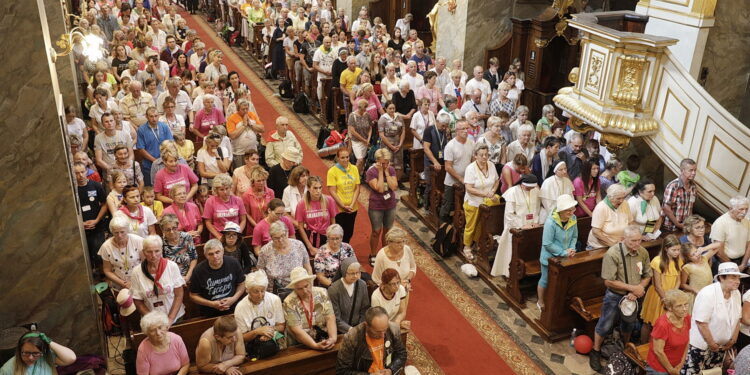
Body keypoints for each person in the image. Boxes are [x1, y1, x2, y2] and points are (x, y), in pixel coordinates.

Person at [589, 225, 653, 372]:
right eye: (633, 241)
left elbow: (647, 274)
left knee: (628, 325)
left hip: (633, 296)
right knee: (605, 324)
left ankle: (625, 349)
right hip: (615, 294)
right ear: (624, 239)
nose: (637, 244)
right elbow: (608, 281)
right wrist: (632, 288)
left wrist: (639, 289)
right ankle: (596, 350)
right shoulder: (613, 254)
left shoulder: (642, 252)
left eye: (639, 240)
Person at [680, 262, 745, 375]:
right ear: (721, 278)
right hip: (702, 347)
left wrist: (732, 341)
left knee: (714, 372)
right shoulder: (707, 293)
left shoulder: (736, 293)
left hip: (722, 348)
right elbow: (701, 323)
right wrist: (712, 344)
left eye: (738, 277)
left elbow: (737, 319)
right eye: (733, 277)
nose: (738, 281)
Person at [491, 174, 542, 277]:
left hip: (531, 226)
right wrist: (520, 226)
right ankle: (509, 273)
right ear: (522, 184)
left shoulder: (535, 190)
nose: (530, 189)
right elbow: (509, 215)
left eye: (532, 187)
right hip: (515, 228)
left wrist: (536, 222)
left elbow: (537, 208)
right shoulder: (513, 192)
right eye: (528, 187)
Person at [335, 306, 408, 374]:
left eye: (385, 330)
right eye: (378, 332)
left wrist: (391, 370)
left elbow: (402, 354)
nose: (383, 335)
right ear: (366, 325)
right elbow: (342, 370)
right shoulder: (352, 338)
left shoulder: (393, 329)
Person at [131, 235, 186, 324]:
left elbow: (179, 295)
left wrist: (170, 319)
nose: (153, 255)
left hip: (175, 317)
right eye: (149, 252)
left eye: (157, 251)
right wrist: (153, 321)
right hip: (151, 321)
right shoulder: (136, 272)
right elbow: (138, 301)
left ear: (162, 250)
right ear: (143, 252)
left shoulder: (172, 266)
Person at [537, 195, 578, 311]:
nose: (571, 212)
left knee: (561, 281)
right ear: (561, 211)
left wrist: (571, 249)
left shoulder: (573, 219)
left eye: (573, 209)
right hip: (550, 258)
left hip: (566, 256)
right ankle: (540, 301)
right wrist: (563, 252)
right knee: (545, 279)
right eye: (568, 210)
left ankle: (554, 301)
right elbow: (547, 243)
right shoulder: (550, 223)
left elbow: (574, 236)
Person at [462, 143, 501, 261]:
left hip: (488, 202)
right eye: (481, 155)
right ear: (475, 156)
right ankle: (467, 246)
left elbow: (496, 181)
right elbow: (469, 188)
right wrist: (485, 194)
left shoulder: (491, 165)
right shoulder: (470, 168)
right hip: (473, 202)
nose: (484, 157)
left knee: (483, 225)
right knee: (471, 226)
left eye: (486, 155)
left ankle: (478, 243)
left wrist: (493, 191)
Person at [641, 235, 684, 341]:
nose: (677, 252)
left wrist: (673, 295)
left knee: (663, 326)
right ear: (666, 249)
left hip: (671, 296)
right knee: (650, 323)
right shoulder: (657, 261)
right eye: (674, 250)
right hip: (658, 296)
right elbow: (657, 285)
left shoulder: (678, 260)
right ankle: (643, 346)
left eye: (678, 250)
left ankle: (657, 348)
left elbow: (678, 280)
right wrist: (666, 299)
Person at [283, 267, 338, 349]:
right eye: (299, 289)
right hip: (301, 344)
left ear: (311, 282)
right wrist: (314, 345)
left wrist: (332, 339)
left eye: (306, 286)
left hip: (324, 338)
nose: (304, 291)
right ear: (294, 288)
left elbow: (330, 318)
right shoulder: (289, 302)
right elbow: (296, 330)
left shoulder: (322, 293)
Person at [189, 239, 246, 317]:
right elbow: (193, 295)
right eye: (211, 254)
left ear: (222, 251)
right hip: (209, 313)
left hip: (233, 309)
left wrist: (233, 299)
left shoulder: (233, 263)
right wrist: (212, 304)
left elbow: (242, 284)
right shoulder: (198, 270)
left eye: (217, 252)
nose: (215, 256)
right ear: (205, 255)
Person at [234, 270, 286, 345]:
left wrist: (268, 332)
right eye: (256, 291)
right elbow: (242, 337)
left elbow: (281, 326)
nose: (260, 295)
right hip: (252, 345)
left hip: (274, 341)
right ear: (248, 290)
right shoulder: (240, 308)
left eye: (262, 291)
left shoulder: (274, 299)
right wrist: (257, 332)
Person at [646, 289, 691, 375]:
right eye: (679, 306)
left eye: (686, 304)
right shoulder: (662, 324)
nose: (684, 309)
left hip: (677, 364)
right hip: (660, 368)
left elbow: (687, 342)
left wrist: (681, 364)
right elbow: (658, 351)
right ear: (670, 308)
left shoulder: (687, 318)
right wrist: (671, 370)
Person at [258, 221, 311, 290]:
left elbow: (308, 268)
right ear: (271, 237)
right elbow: (260, 273)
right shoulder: (265, 251)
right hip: (275, 291)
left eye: (283, 235)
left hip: (299, 288)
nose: (280, 240)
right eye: (276, 238)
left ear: (287, 233)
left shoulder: (298, 245)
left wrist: (309, 286)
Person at [440, 120, 474, 222]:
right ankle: (442, 228)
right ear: (457, 131)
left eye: (467, 128)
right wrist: (460, 178)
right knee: (448, 205)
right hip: (451, 182)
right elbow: (448, 167)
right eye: (463, 129)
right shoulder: (450, 146)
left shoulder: (471, 143)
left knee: (463, 205)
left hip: (467, 181)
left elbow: (472, 162)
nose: (466, 131)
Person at [74, 162, 108, 266]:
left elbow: (104, 204)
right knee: (84, 256)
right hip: (79, 228)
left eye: (82, 172)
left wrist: (97, 220)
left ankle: (102, 276)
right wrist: (80, 224)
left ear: (86, 171)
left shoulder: (96, 185)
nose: (80, 175)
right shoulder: (72, 190)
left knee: (99, 253)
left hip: (96, 226)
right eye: (77, 173)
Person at [136, 311, 190, 375]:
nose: (158, 333)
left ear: (166, 326)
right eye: (152, 330)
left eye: (160, 327)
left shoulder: (177, 339)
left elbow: (186, 365)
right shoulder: (143, 349)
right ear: (147, 333)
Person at [0, 332, 76, 375]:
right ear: (19, 350)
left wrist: (49, 342)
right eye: (26, 353)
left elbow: (71, 358)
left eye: (35, 353)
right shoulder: (7, 369)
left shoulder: (46, 358)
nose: (30, 357)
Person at [327, 148, 361, 243]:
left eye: (347, 157)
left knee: (349, 233)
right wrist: (342, 205)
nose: (345, 160)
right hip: (339, 209)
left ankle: (345, 251)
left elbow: (357, 188)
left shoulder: (354, 168)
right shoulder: (332, 171)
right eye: (342, 158)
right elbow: (332, 191)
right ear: (337, 158)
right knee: (338, 234)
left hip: (352, 208)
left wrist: (352, 204)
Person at [328, 258, 370, 333]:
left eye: (358, 273)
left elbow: (365, 309)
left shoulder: (362, 285)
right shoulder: (334, 290)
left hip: (359, 328)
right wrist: (350, 329)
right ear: (344, 273)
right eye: (352, 273)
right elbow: (336, 318)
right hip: (341, 331)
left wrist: (360, 327)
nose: (355, 276)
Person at [136, 107, 174, 186]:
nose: (154, 119)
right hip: (149, 165)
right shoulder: (141, 129)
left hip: (165, 164)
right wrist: (155, 161)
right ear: (146, 116)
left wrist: (165, 160)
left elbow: (170, 144)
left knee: (165, 187)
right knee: (151, 188)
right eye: (151, 116)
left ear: (159, 116)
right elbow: (141, 149)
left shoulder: (164, 126)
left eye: (156, 116)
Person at [710, 196, 750, 271]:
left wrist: (743, 264)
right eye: (741, 209)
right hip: (724, 262)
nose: (744, 212)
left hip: (741, 261)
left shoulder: (747, 222)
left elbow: (749, 244)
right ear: (731, 209)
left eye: (746, 209)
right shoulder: (720, 223)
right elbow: (719, 251)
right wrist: (733, 267)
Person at [587, 184, 631, 249]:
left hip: (619, 244)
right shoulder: (601, 207)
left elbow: (630, 222)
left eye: (623, 197)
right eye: (618, 198)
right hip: (600, 247)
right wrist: (613, 245)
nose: (621, 201)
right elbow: (596, 231)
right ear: (610, 197)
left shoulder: (625, 204)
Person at [159, 214, 198, 281]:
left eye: (174, 228)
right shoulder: (160, 243)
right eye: (168, 230)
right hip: (170, 279)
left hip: (189, 276)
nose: (171, 232)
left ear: (177, 226)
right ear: (163, 230)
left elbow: (194, 258)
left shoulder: (186, 237)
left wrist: (188, 276)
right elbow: (161, 267)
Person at [226, 100, 264, 169]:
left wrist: (251, 124)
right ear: (238, 109)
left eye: (247, 108)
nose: (246, 111)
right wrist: (243, 125)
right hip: (239, 153)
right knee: (240, 172)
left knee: (253, 172)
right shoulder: (232, 118)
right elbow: (232, 135)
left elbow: (262, 129)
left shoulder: (252, 115)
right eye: (243, 109)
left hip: (253, 151)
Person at [662, 159, 697, 232]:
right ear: (682, 170)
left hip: (686, 227)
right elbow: (666, 207)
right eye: (690, 170)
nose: (694, 173)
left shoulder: (693, 187)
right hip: (672, 228)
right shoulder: (673, 186)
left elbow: (690, 207)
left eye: (695, 170)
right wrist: (678, 224)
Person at [681, 242, 717, 313]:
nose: (696, 255)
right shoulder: (687, 267)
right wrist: (695, 290)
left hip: (709, 293)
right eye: (692, 255)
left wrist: (704, 248)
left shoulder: (704, 258)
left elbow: (718, 245)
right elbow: (683, 284)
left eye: (696, 251)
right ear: (688, 258)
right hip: (697, 295)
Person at [241, 166, 275, 231]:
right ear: (253, 181)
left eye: (263, 180)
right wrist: (257, 226)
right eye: (258, 181)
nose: (261, 183)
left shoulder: (270, 192)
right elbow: (247, 214)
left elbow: (273, 210)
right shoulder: (246, 195)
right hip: (253, 228)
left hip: (269, 226)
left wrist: (267, 224)